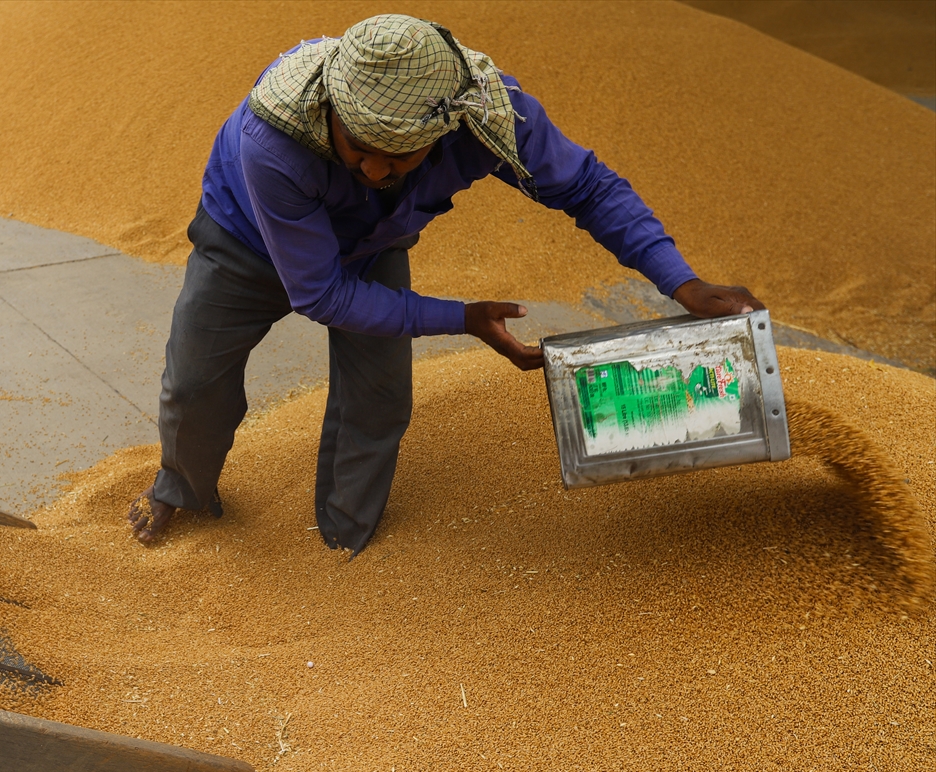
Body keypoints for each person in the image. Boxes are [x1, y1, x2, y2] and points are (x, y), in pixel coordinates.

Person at [128, 14, 763, 554]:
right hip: (245, 242)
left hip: (372, 244)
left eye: (397, 156)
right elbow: (321, 295)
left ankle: (345, 537)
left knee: (379, 398)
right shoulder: (273, 139)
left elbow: (587, 187)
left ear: (442, 133)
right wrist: (460, 318)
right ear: (332, 109)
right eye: (358, 147)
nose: (374, 168)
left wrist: (681, 283)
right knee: (194, 381)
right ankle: (179, 489)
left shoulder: (489, 115)